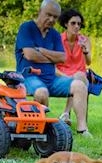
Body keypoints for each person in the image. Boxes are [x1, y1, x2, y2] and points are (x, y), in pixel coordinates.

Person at [15, 0, 91, 137]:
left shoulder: (55, 34)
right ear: (40, 12)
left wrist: (41, 50)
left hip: (52, 79)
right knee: (42, 92)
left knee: (80, 85)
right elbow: (30, 55)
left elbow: (62, 58)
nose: (51, 19)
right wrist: (51, 57)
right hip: (29, 77)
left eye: (55, 17)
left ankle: (82, 129)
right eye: (48, 15)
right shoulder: (26, 28)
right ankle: (41, 127)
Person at [55, 8, 91, 125]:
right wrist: (66, 76)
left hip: (79, 74)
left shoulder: (84, 40)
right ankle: (68, 115)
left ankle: (65, 113)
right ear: (66, 24)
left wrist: (85, 52)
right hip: (61, 74)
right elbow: (53, 66)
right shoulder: (57, 40)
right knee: (78, 79)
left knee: (79, 76)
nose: (77, 26)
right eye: (73, 23)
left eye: (79, 24)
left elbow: (89, 62)